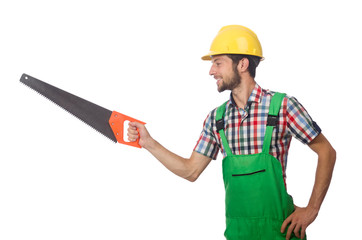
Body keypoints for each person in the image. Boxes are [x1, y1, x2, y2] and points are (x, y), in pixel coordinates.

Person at [127, 25, 336, 240]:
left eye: (218, 63)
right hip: (238, 234)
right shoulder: (217, 119)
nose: (211, 71)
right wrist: (149, 143)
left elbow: (326, 151)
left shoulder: (282, 106)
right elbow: (190, 171)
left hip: (279, 232)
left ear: (242, 64)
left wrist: (312, 209)